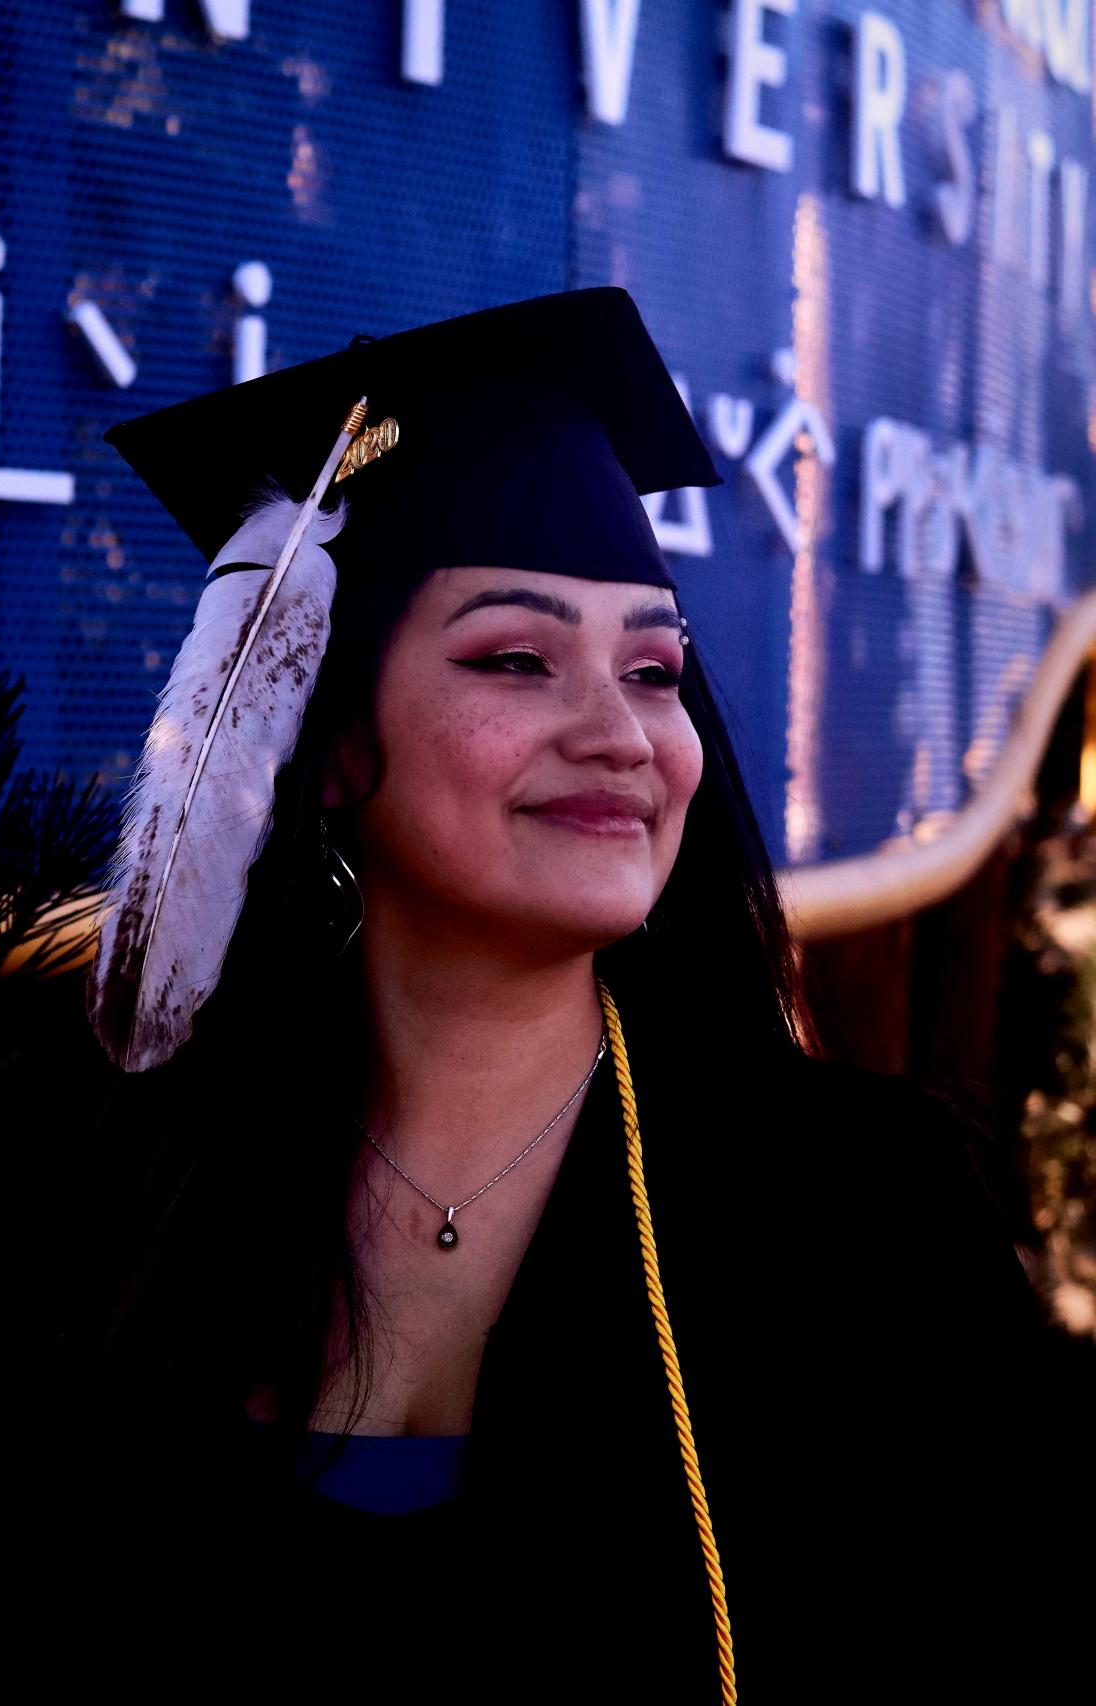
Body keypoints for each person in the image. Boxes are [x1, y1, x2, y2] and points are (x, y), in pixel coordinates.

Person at [76, 289, 1087, 1698]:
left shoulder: (867, 1218)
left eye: (656, 668)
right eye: (515, 656)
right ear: (326, 747)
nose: (621, 735)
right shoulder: (124, 1205)